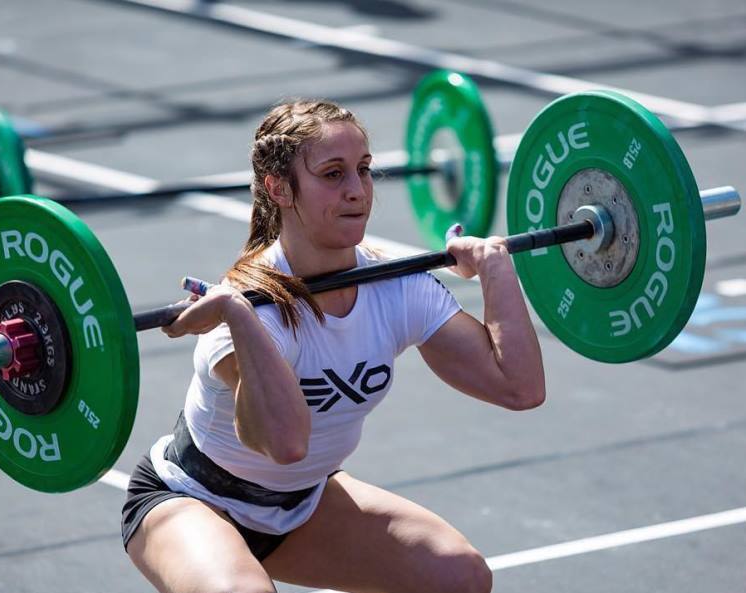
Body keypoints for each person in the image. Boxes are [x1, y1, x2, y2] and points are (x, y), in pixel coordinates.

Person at [121, 100, 546, 593]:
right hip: (189, 497)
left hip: (300, 506)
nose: (356, 191)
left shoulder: (398, 285)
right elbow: (285, 443)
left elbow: (519, 388)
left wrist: (496, 268)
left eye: (364, 171)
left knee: (460, 577)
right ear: (279, 188)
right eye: (333, 173)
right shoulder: (248, 308)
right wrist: (237, 315)